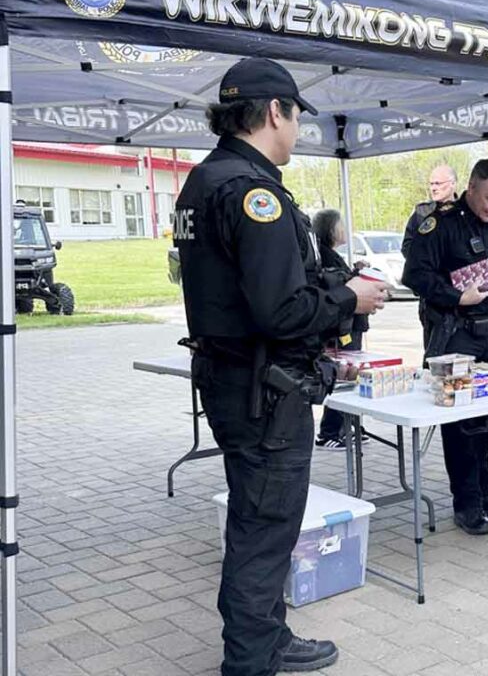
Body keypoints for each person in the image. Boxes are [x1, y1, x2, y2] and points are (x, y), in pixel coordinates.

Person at [173, 57, 388, 676]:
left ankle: (265, 638)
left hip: (236, 379)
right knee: (265, 528)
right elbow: (280, 309)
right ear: (274, 112)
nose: (297, 131)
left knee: (256, 518)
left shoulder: (205, 180)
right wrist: (351, 298)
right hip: (262, 392)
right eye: (296, 117)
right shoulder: (252, 191)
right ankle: (251, 658)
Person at [402, 159, 488, 536]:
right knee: (461, 422)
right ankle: (466, 502)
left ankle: (483, 488)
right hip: (454, 333)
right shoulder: (440, 224)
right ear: (472, 188)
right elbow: (414, 275)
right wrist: (457, 296)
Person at [310, 209, 370, 450]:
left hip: (349, 325)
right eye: (341, 226)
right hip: (342, 328)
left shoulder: (330, 255)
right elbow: (338, 286)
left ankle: (347, 425)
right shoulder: (325, 257)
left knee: (349, 375)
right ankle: (330, 430)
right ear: (333, 229)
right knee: (343, 376)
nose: (345, 230)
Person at [403, 165, 460, 349]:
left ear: (452, 184)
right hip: (433, 293)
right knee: (433, 353)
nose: (434, 188)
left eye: (438, 183)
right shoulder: (422, 213)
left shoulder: (467, 212)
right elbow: (408, 247)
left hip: (462, 291)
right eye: (431, 184)